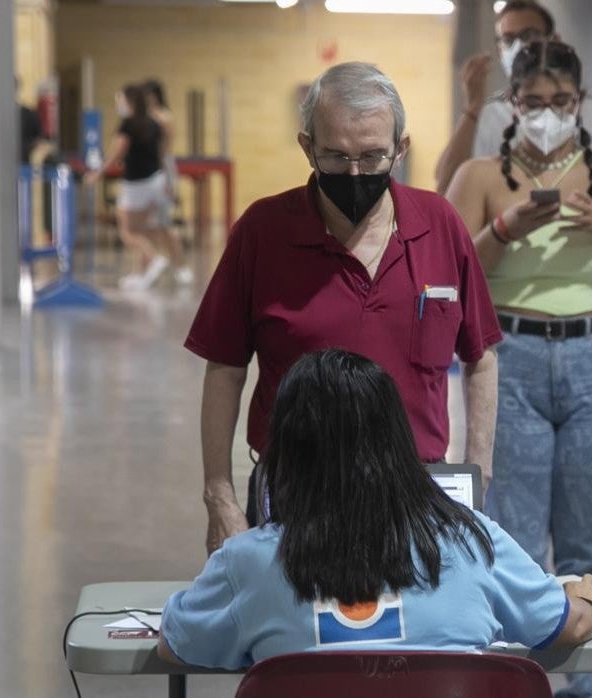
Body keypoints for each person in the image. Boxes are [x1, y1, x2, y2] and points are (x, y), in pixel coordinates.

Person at [186, 62, 502, 556]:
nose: (355, 174)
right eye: (335, 157)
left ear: (401, 148)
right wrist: (219, 495)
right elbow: (225, 366)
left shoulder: (440, 225)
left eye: (373, 156)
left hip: (418, 490)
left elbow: (480, 356)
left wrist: (477, 473)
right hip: (294, 492)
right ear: (307, 146)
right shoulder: (263, 232)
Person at [445, 40, 592, 698]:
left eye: (561, 103)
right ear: (513, 105)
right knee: (512, 541)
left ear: (581, 105)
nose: (547, 114)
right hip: (508, 357)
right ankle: (514, 683)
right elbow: (450, 279)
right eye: (534, 102)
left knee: (588, 545)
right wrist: (506, 228)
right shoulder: (482, 175)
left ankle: (587, 687)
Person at [159, 349, 592, 667]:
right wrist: (586, 601)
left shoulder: (248, 562)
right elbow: (569, 625)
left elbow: (176, 646)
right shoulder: (471, 541)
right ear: (398, 444)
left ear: (287, 453)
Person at [433, 0, 592, 194]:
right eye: (508, 39)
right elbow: (446, 186)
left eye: (529, 36)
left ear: (554, 40)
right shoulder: (491, 114)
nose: (518, 47)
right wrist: (473, 107)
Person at [86, 84, 178, 290]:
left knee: (127, 232)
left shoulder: (128, 125)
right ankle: (139, 275)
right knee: (142, 230)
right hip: (155, 180)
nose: (118, 104)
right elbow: (162, 152)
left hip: (135, 184)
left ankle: (154, 259)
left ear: (129, 102)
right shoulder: (155, 124)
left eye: (120, 100)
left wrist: (97, 174)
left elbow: (116, 154)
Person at [142, 78, 193, 284]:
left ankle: (180, 266)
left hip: (162, 170)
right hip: (148, 171)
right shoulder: (144, 118)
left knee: (164, 222)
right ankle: (148, 266)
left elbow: (165, 149)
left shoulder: (163, 117)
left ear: (154, 96)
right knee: (147, 224)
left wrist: (165, 179)